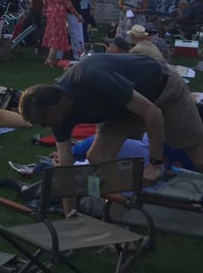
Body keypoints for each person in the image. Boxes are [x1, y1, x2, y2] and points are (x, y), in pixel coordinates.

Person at [19, 53, 203, 188]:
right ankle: (117, 211)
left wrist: (155, 164)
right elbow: (66, 170)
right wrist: (71, 216)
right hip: (122, 108)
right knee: (97, 158)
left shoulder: (92, 79)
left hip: (162, 90)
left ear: (52, 109)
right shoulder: (59, 117)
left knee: (197, 155)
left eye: (42, 121)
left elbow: (152, 113)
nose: (44, 127)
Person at [42, 0, 79, 66]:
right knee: (57, 36)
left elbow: (44, 2)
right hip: (60, 13)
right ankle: (50, 60)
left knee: (52, 35)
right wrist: (77, 14)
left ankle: (52, 58)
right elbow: (68, 4)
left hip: (50, 12)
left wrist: (45, 12)